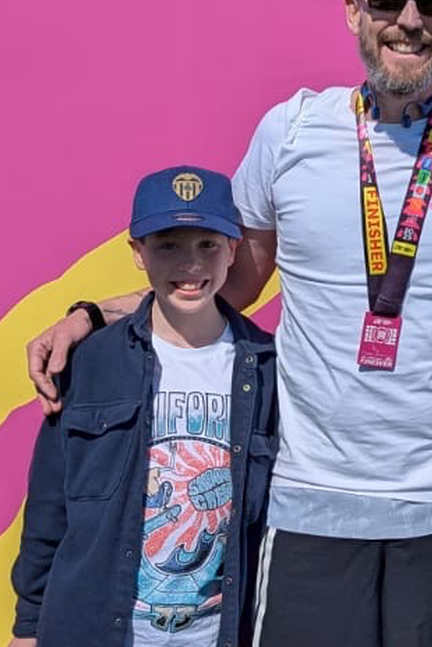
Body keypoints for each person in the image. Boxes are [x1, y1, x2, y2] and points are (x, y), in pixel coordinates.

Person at [23, 0, 432, 647]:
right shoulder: (292, 131)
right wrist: (94, 315)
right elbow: (223, 286)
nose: (409, 20)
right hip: (310, 504)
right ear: (354, 10)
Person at [10, 166, 277, 647]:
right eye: (168, 245)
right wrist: (28, 627)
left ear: (234, 249)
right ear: (138, 252)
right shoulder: (90, 361)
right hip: (97, 630)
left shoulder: (266, 368)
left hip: (215, 631)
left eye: (208, 244)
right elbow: (49, 507)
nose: (190, 264)